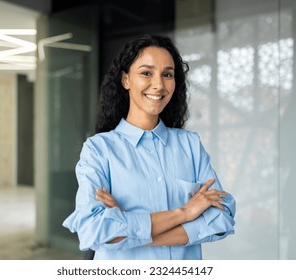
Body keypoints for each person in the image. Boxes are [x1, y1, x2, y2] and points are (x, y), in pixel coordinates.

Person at [62, 34, 236, 260]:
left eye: (167, 74)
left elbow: (222, 218)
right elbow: (94, 230)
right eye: (146, 73)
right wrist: (185, 213)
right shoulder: (99, 150)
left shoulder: (190, 144)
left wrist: (130, 227)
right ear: (126, 80)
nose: (159, 85)